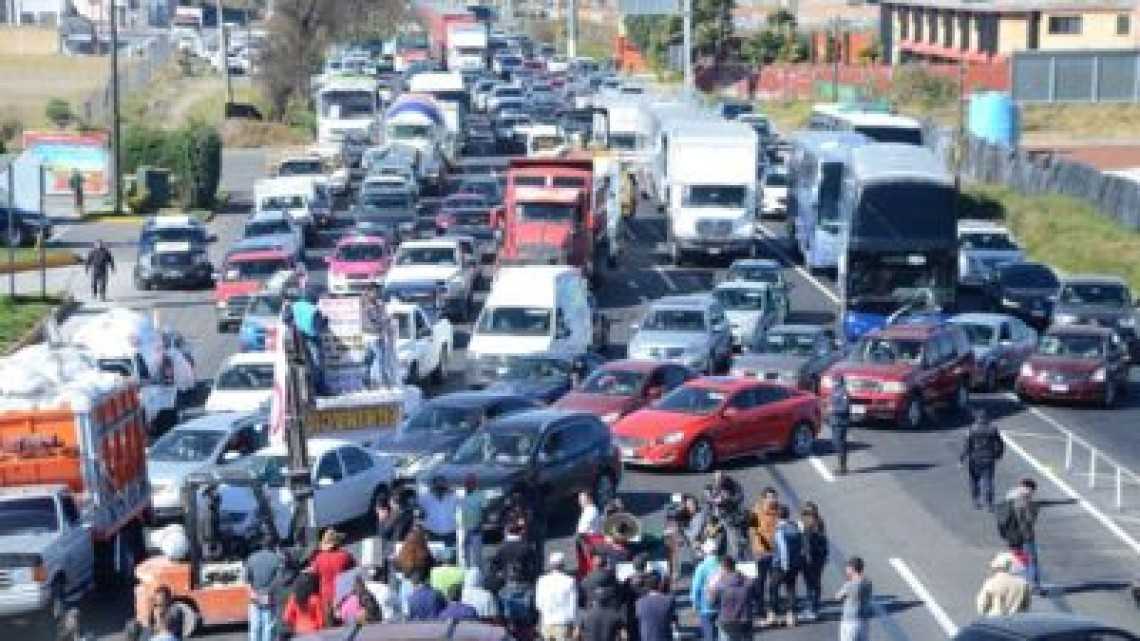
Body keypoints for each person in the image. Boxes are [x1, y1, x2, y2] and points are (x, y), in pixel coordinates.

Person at [999, 478, 1043, 595]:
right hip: (1025, 536)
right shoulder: (1026, 500)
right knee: (1031, 561)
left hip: (1011, 535)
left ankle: (1015, 586)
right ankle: (1034, 586)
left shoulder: (1009, 498)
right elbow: (1029, 520)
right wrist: (1034, 508)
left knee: (1016, 561)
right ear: (1030, 489)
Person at [960, 409, 1005, 510]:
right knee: (988, 481)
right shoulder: (992, 429)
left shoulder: (971, 430)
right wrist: (998, 455)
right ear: (986, 418)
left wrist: (961, 459)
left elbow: (967, 446)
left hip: (974, 459)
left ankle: (976, 501)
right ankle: (989, 503)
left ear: (977, 419)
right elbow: (1000, 444)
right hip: (989, 458)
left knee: (974, 481)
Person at [768, 504, 803, 628]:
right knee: (791, 589)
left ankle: (772, 615)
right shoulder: (795, 528)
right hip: (795, 564)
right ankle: (791, 617)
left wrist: (784, 564)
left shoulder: (780, 530)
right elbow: (801, 545)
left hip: (781, 565)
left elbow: (783, 549)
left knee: (773, 588)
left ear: (778, 516)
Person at [746, 488, 779, 622]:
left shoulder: (778, 510)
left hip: (775, 553)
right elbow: (751, 531)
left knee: (774, 583)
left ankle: (773, 608)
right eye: (770, 497)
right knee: (759, 582)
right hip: (760, 553)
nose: (773, 500)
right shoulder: (755, 511)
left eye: (774, 497)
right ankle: (760, 608)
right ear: (763, 498)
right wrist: (756, 548)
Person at [244, 532, 282, 641]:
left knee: (255, 626)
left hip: (255, 596)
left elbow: (247, 580)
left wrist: (252, 593)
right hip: (269, 597)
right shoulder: (276, 559)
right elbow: (278, 580)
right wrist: (268, 593)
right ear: (273, 545)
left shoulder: (251, 558)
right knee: (268, 626)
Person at [309, 528, 355, 613]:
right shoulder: (346, 556)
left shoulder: (319, 558)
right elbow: (354, 573)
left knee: (329, 618)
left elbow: (313, 573)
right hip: (343, 594)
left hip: (326, 596)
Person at [708, 555, 754, 641]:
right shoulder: (748, 582)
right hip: (745, 620)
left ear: (724, 568)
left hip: (727, 621)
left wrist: (711, 590)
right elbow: (756, 597)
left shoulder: (720, 585)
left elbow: (711, 604)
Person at [290, 290, 328, 395]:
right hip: (312, 339)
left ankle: (305, 388)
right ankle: (319, 388)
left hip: (297, 340)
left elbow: (287, 319)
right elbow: (318, 328)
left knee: (301, 363)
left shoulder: (295, 306)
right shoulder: (314, 311)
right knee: (317, 364)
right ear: (313, 299)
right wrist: (325, 321)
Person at [535, 551, 578, 641]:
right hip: (563, 622)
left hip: (547, 621)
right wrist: (574, 624)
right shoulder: (569, 581)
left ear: (551, 565)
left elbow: (538, 604)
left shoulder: (542, 581)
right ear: (563, 565)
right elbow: (573, 605)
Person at [363, 285, 399, 388]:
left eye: (378, 292)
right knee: (380, 360)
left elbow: (383, 318)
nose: (378, 294)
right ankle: (384, 382)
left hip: (373, 336)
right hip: (374, 336)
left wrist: (387, 320)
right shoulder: (368, 306)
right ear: (370, 292)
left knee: (370, 361)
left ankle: (367, 381)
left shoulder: (376, 304)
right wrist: (383, 324)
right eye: (376, 292)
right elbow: (370, 322)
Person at [799, 502, 829, 622]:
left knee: (811, 584)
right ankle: (814, 607)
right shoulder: (819, 522)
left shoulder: (808, 524)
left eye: (807, 512)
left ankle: (812, 609)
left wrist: (806, 556)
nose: (806, 514)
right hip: (819, 557)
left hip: (811, 558)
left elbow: (806, 542)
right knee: (815, 583)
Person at [689, 540, 721, 641]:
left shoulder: (701, 567)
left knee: (709, 634)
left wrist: (694, 603)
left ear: (706, 551)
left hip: (705, 605)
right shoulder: (722, 565)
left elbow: (696, 587)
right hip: (721, 605)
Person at [490, 522, 537, 591]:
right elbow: (533, 566)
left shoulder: (501, 547)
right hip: (524, 582)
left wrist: (499, 575)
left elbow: (494, 566)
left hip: (506, 582)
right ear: (519, 532)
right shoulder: (527, 547)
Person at [836, 556, 872, 641]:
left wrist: (848, 582)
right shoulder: (868, 582)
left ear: (852, 569)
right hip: (863, 620)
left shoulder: (850, 585)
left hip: (850, 621)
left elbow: (838, 597)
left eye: (847, 568)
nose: (846, 570)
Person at [419, 475, 459, 547]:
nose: (440, 487)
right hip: (432, 533)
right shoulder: (424, 497)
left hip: (450, 533)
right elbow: (419, 512)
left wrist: (451, 489)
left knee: (451, 553)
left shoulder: (453, 496)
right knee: (432, 553)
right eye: (437, 484)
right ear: (433, 485)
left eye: (442, 484)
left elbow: (462, 506)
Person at [635, 574, 676, 641]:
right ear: (660, 585)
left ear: (647, 587)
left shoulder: (639, 602)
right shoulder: (669, 600)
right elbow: (673, 621)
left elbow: (639, 619)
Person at [460, 473, 488, 570]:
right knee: (466, 554)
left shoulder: (480, 494)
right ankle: (468, 574)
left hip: (476, 529)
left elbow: (485, 512)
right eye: (467, 482)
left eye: (471, 482)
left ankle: (479, 576)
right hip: (465, 530)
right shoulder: (464, 496)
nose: (469, 484)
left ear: (475, 484)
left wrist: (480, 525)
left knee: (477, 556)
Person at [377, 493, 413, 562]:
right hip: (402, 545)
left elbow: (383, 534)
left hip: (394, 549)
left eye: (391, 501)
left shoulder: (397, 516)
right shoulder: (408, 512)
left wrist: (381, 520)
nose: (389, 503)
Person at [828, 374, 852, 474]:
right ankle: (841, 465)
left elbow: (845, 408)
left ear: (839, 381)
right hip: (834, 421)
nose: (832, 382)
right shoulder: (834, 391)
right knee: (835, 443)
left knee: (840, 444)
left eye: (834, 380)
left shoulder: (843, 392)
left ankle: (842, 467)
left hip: (841, 422)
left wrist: (833, 409)